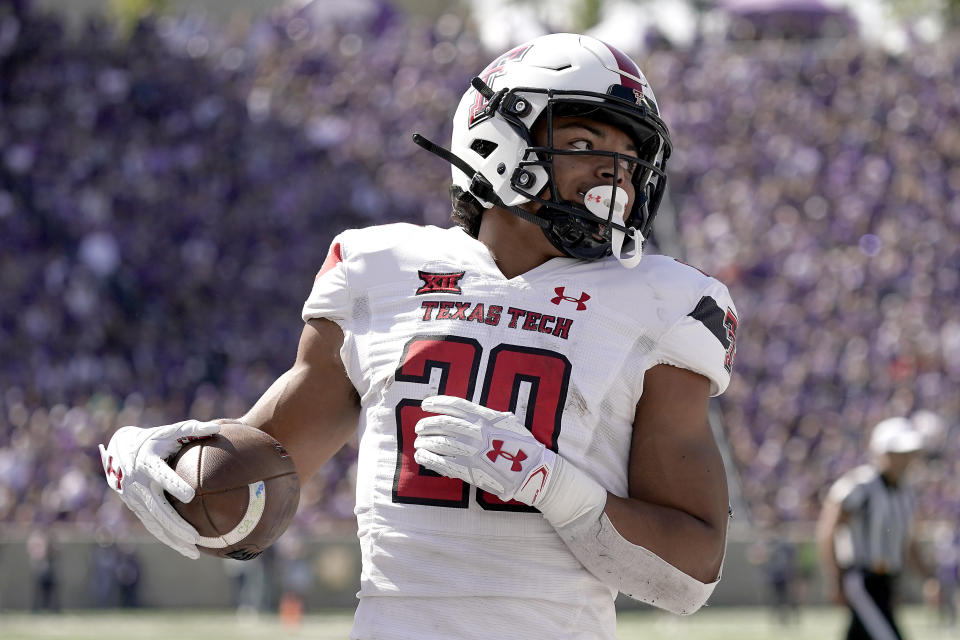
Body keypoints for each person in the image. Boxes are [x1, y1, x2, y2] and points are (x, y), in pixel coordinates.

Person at [99, 33, 739, 639]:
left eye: (628, 160)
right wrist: (158, 462)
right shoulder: (381, 269)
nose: (615, 177)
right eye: (585, 143)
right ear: (498, 140)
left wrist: (548, 484)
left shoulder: (662, 302)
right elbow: (252, 482)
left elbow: (688, 575)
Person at [817, 416, 935, 640]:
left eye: (909, 453)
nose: (906, 459)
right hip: (862, 579)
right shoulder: (861, 485)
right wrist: (835, 579)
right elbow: (828, 529)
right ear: (882, 452)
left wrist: (928, 577)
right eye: (899, 452)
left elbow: (907, 543)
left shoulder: (907, 492)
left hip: (886, 581)